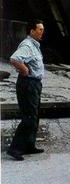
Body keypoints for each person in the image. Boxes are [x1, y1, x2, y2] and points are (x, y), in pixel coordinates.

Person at [7, 20, 45, 161]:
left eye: (42, 29)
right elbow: (15, 58)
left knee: (34, 116)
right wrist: (24, 69)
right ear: (31, 31)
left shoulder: (35, 45)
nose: (42, 32)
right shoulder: (27, 45)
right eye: (40, 29)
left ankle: (29, 145)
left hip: (34, 84)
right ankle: (15, 149)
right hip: (28, 83)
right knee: (29, 117)